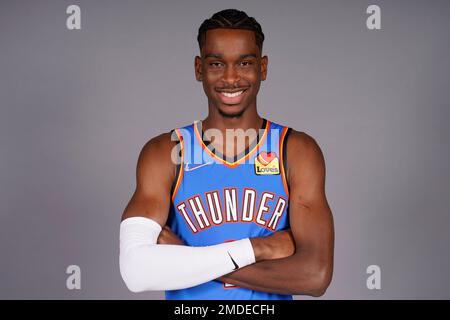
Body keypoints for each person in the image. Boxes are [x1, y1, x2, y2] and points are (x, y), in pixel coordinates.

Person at [119, 8, 334, 300]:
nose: (231, 78)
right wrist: (259, 249)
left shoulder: (295, 151)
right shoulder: (165, 152)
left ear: (263, 68)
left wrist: (188, 258)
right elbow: (137, 271)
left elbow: (315, 276)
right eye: (217, 63)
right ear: (199, 69)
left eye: (244, 62)